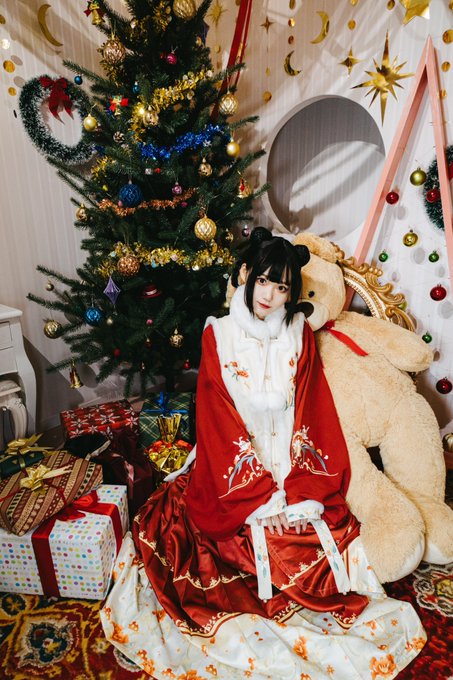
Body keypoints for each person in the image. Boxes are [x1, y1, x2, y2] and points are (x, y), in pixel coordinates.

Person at [101, 227, 426, 679]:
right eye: (264, 282)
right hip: (235, 468)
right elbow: (217, 419)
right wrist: (260, 498)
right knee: (247, 544)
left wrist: (301, 490)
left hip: (293, 462)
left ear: (292, 293)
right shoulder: (218, 335)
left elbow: (312, 409)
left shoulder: (300, 334)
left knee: (315, 536)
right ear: (247, 276)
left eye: (282, 287)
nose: (270, 296)